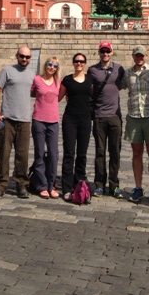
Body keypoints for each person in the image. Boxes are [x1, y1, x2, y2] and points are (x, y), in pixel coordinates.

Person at [0, 45, 35, 200]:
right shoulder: (7, 71)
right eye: (22, 56)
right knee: (4, 153)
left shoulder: (32, 75)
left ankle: (21, 184)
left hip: (24, 120)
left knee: (22, 155)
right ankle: (1, 185)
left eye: (27, 57)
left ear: (31, 58)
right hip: (7, 119)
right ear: (17, 55)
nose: (24, 59)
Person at [121, 45, 149, 204]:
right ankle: (138, 187)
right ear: (133, 56)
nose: (139, 58)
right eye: (137, 55)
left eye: (142, 55)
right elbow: (114, 86)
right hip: (134, 116)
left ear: (147, 56)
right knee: (137, 152)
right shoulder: (127, 73)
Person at [89, 41, 125, 198]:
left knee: (115, 152)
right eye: (102, 51)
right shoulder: (92, 70)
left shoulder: (119, 69)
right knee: (99, 152)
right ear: (99, 52)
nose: (105, 53)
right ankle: (99, 184)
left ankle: (114, 185)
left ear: (112, 52)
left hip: (115, 116)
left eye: (107, 51)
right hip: (99, 117)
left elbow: (127, 83)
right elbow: (88, 90)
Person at [58, 53, 93, 201]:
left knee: (82, 154)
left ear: (85, 63)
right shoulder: (67, 80)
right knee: (69, 153)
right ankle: (66, 187)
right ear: (73, 63)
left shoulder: (90, 80)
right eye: (77, 61)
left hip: (85, 119)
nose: (79, 63)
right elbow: (57, 97)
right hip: (70, 119)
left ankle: (79, 182)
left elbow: (94, 97)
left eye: (82, 61)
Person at [30, 56, 61, 199]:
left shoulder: (58, 82)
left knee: (54, 154)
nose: (52, 67)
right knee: (40, 153)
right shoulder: (37, 79)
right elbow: (31, 93)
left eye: (55, 66)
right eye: (50, 64)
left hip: (53, 121)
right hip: (39, 120)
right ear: (45, 65)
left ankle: (51, 184)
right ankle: (41, 185)